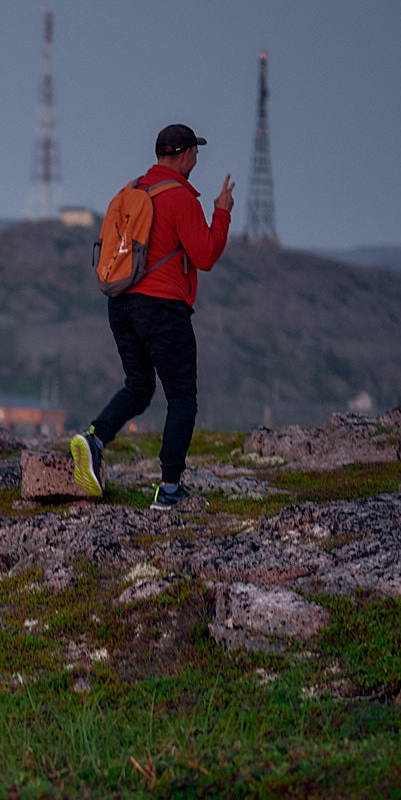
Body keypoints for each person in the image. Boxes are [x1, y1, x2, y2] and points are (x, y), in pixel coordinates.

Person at [70, 123, 234, 510]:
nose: (197, 158)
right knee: (182, 398)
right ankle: (170, 488)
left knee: (140, 385)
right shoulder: (180, 199)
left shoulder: (133, 190)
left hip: (121, 304)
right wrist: (221, 213)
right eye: (196, 152)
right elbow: (206, 256)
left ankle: (95, 439)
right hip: (162, 308)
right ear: (183, 154)